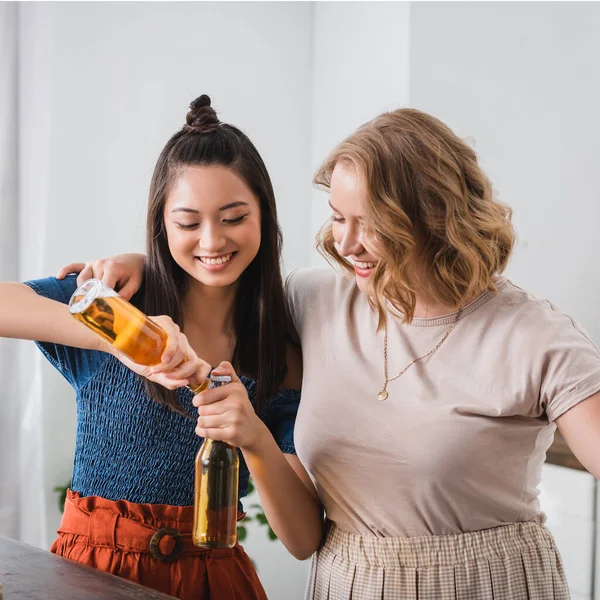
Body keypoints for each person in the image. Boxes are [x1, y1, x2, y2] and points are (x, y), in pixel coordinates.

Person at [59, 107, 600, 600]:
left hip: (485, 585)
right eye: (339, 216)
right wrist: (139, 267)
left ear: (439, 217)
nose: (345, 243)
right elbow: (218, 279)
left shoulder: (536, 337)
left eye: (373, 223)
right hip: (346, 580)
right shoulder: (316, 299)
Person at [1, 94, 322, 600]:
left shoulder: (279, 352)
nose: (212, 241)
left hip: (213, 582)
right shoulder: (118, 302)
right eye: (188, 223)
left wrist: (255, 438)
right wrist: (114, 337)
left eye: (234, 217)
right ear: (162, 226)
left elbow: (304, 540)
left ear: (265, 215)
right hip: (90, 577)